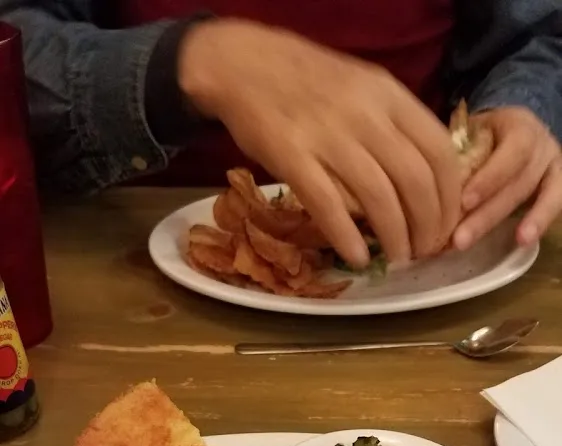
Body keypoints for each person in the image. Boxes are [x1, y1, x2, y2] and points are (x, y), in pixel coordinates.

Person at [1, 1, 561, 268]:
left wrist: (526, 106)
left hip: (443, 280)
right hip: (109, 266)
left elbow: (541, 37)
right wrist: (189, 62)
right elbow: (15, 38)